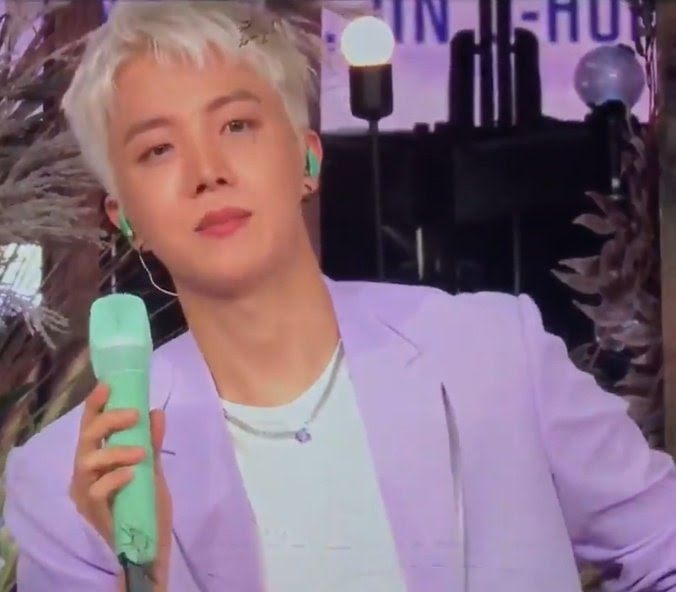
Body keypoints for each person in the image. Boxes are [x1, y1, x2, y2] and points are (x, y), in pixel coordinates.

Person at [4, 1, 676, 591]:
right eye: (158, 150)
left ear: (308, 159)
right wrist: (137, 572)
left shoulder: (495, 353)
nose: (207, 172)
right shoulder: (70, 481)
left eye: (236, 125)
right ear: (125, 219)